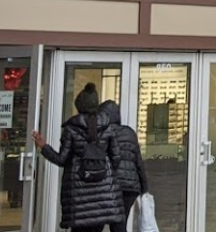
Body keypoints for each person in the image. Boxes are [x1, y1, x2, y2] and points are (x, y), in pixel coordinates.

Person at [33, 84, 124, 232]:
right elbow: (116, 157)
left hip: (78, 196)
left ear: (79, 106)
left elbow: (62, 159)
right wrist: (105, 171)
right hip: (103, 194)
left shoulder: (71, 129)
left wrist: (43, 147)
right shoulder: (108, 127)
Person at [100, 100, 148, 232]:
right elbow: (138, 162)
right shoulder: (130, 133)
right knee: (120, 224)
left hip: (110, 185)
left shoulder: (104, 133)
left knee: (100, 223)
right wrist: (144, 188)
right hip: (130, 188)